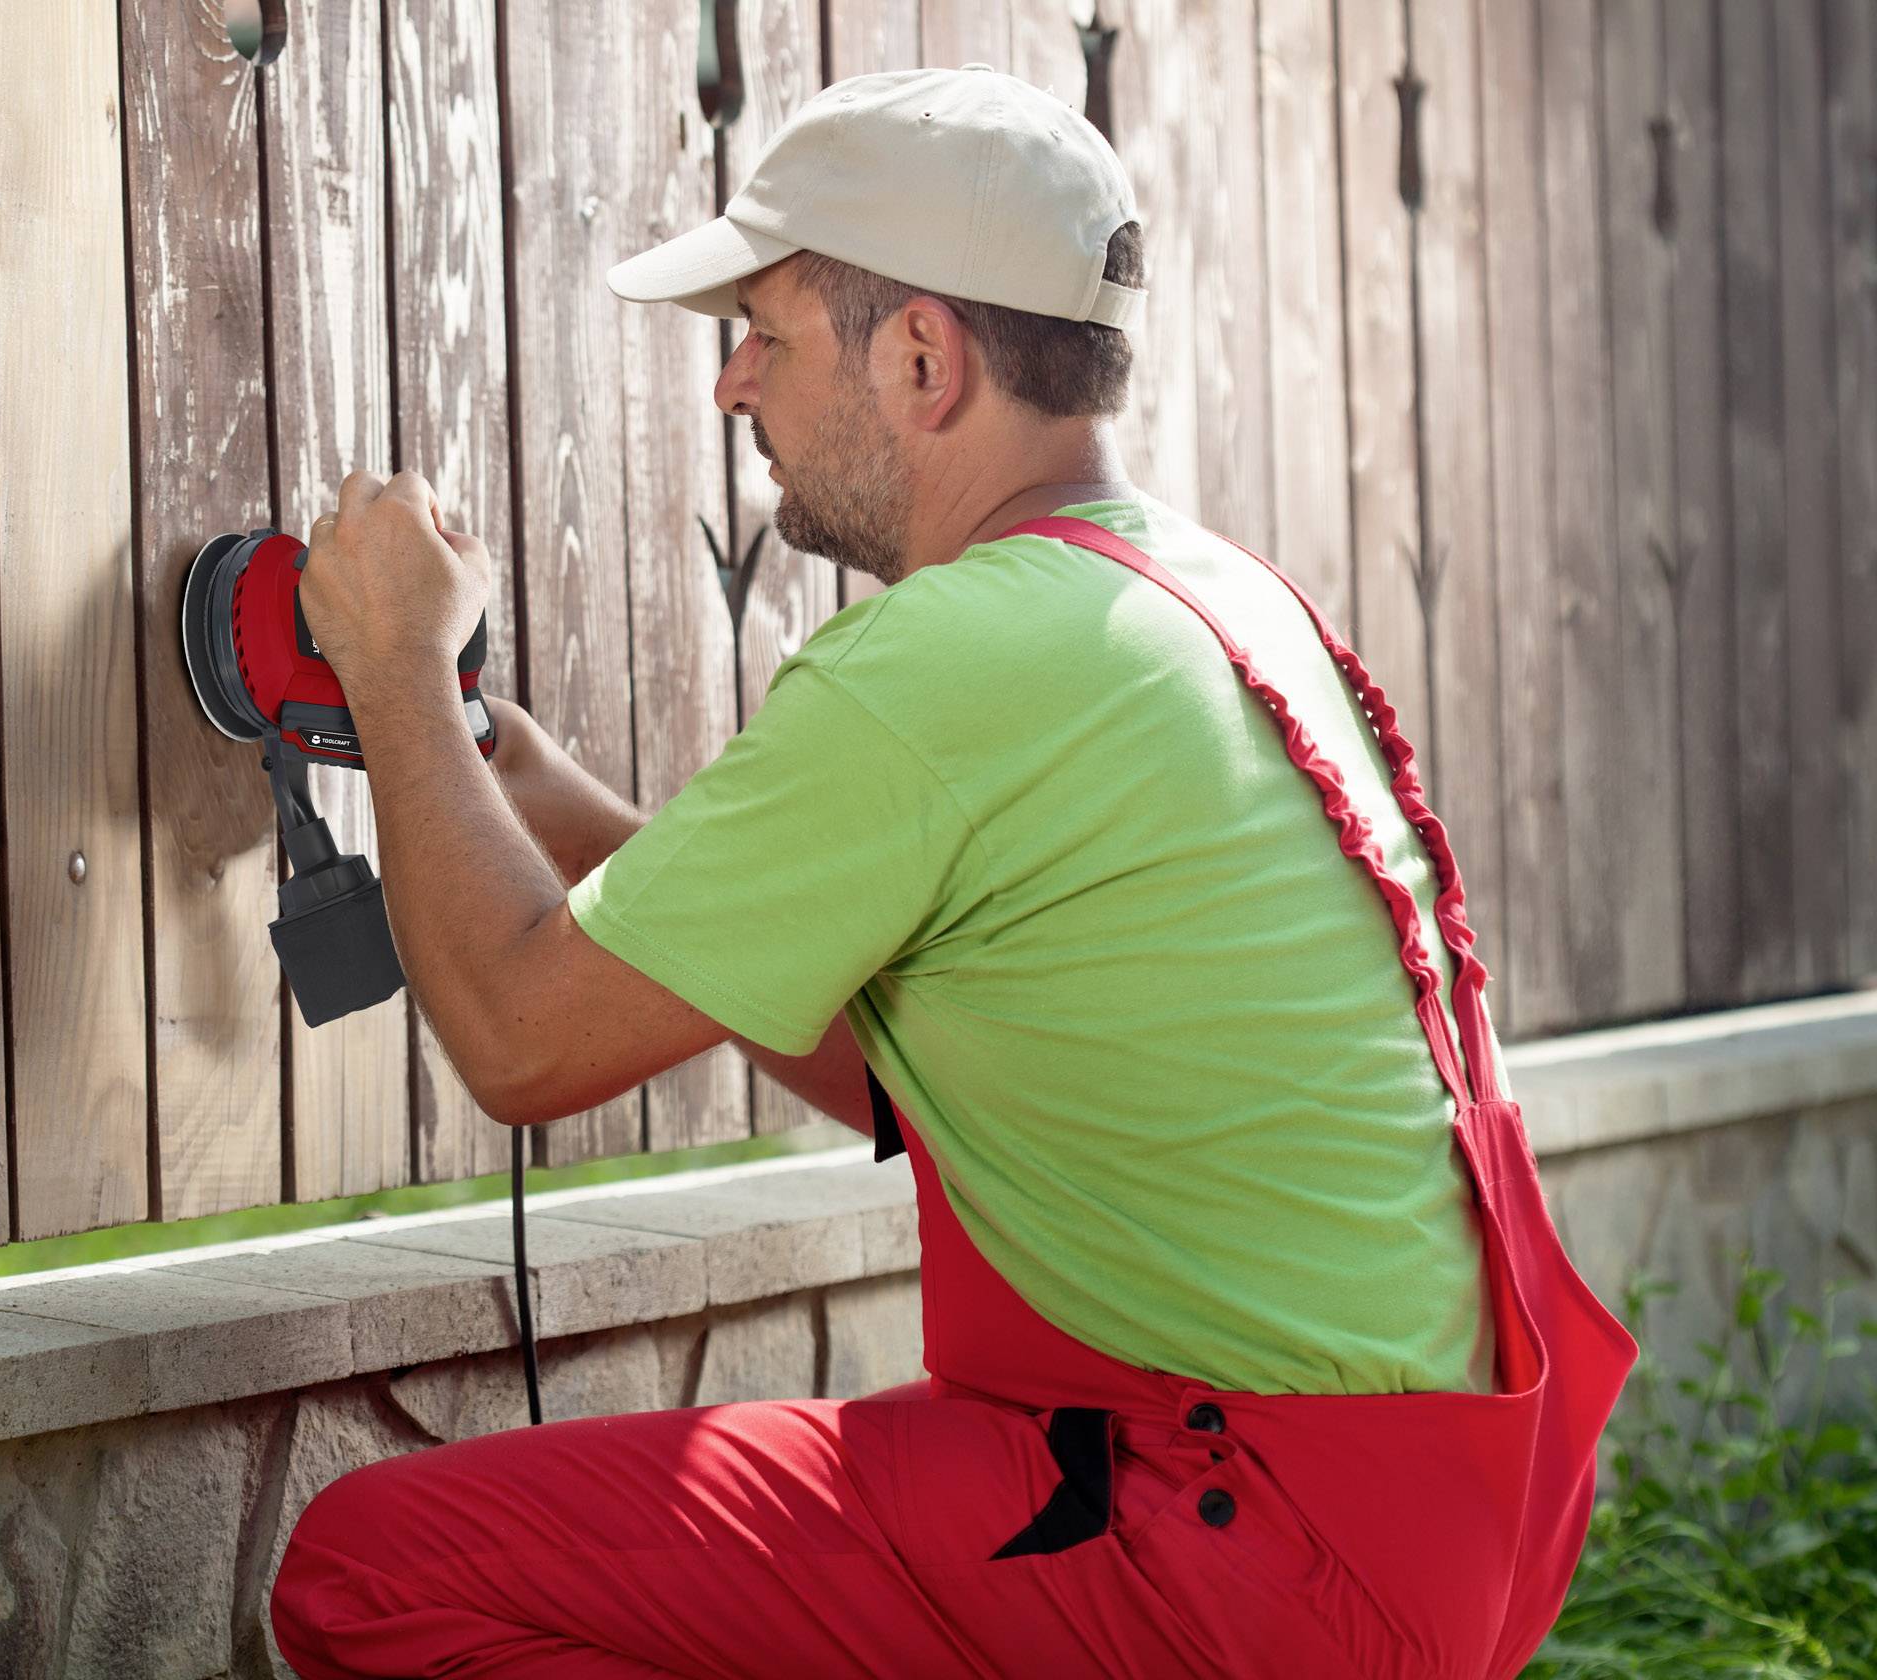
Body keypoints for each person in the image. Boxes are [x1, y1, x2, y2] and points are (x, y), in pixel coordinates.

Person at [269, 63, 1635, 1680]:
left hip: (1234, 1549)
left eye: (765, 335)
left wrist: (401, 666)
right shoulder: (1206, 599)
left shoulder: (952, 661)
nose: (732, 392)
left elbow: (514, 1038)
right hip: (1421, 1528)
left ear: (924, 355)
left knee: (372, 1573)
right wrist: (526, 782)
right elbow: (920, 1087)